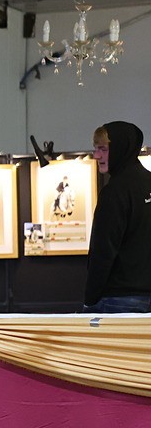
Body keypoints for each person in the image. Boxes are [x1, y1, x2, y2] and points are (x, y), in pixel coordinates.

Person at [83, 121, 151, 313]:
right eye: (95, 149)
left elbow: (103, 252)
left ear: (120, 147)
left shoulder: (114, 192)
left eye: (103, 149)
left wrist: (89, 300)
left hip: (117, 299)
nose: (96, 156)